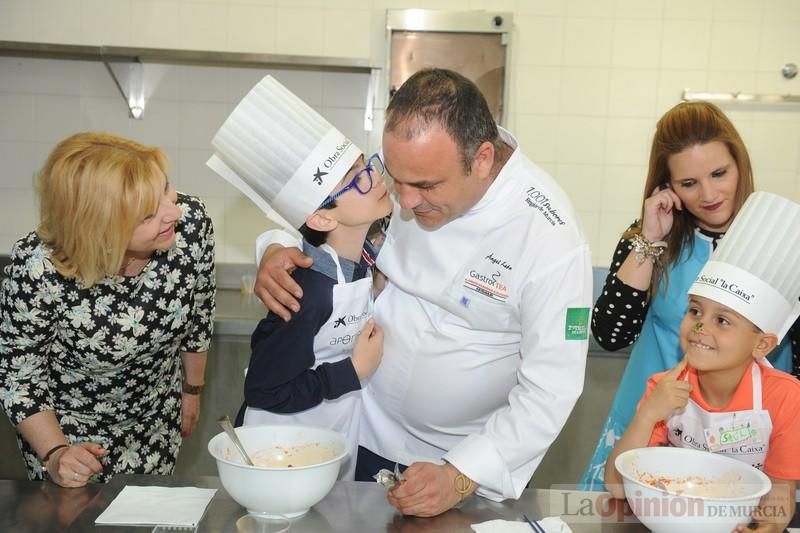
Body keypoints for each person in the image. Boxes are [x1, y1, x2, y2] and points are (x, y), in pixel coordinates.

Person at [253, 68, 593, 517]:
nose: (406, 201)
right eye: (396, 179)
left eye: (427, 187)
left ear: (483, 159)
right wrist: (275, 248)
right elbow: (321, 208)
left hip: (462, 461)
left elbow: (552, 388)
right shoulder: (411, 160)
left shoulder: (550, 238)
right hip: (363, 426)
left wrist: (458, 475)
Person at [580, 101, 800, 490]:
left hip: (750, 441)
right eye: (689, 183)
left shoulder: (782, 241)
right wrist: (649, 239)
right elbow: (611, 335)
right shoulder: (652, 237)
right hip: (655, 422)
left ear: (740, 164)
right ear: (667, 186)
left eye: (719, 173)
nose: (709, 193)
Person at [0, 132, 215, 487]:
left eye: (165, 188)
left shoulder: (189, 225)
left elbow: (199, 312)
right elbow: (19, 378)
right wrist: (55, 455)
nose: (173, 211)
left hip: (156, 422)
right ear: (100, 228)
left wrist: (191, 391)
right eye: (148, 214)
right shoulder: (39, 267)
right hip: (69, 434)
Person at [206, 76, 388, 478]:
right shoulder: (308, 291)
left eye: (368, 166)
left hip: (329, 436)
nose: (375, 179)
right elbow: (264, 390)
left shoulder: (363, 260)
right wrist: (351, 372)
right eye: (357, 180)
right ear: (322, 217)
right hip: (281, 448)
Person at [605, 191, 800, 533]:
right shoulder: (664, 388)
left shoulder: (786, 400)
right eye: (695, 310)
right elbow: (617, 486)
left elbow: (780, 495)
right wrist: (650, 412)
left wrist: (766, 528)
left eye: (722, 320)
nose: (699, 327)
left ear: (763, 343)